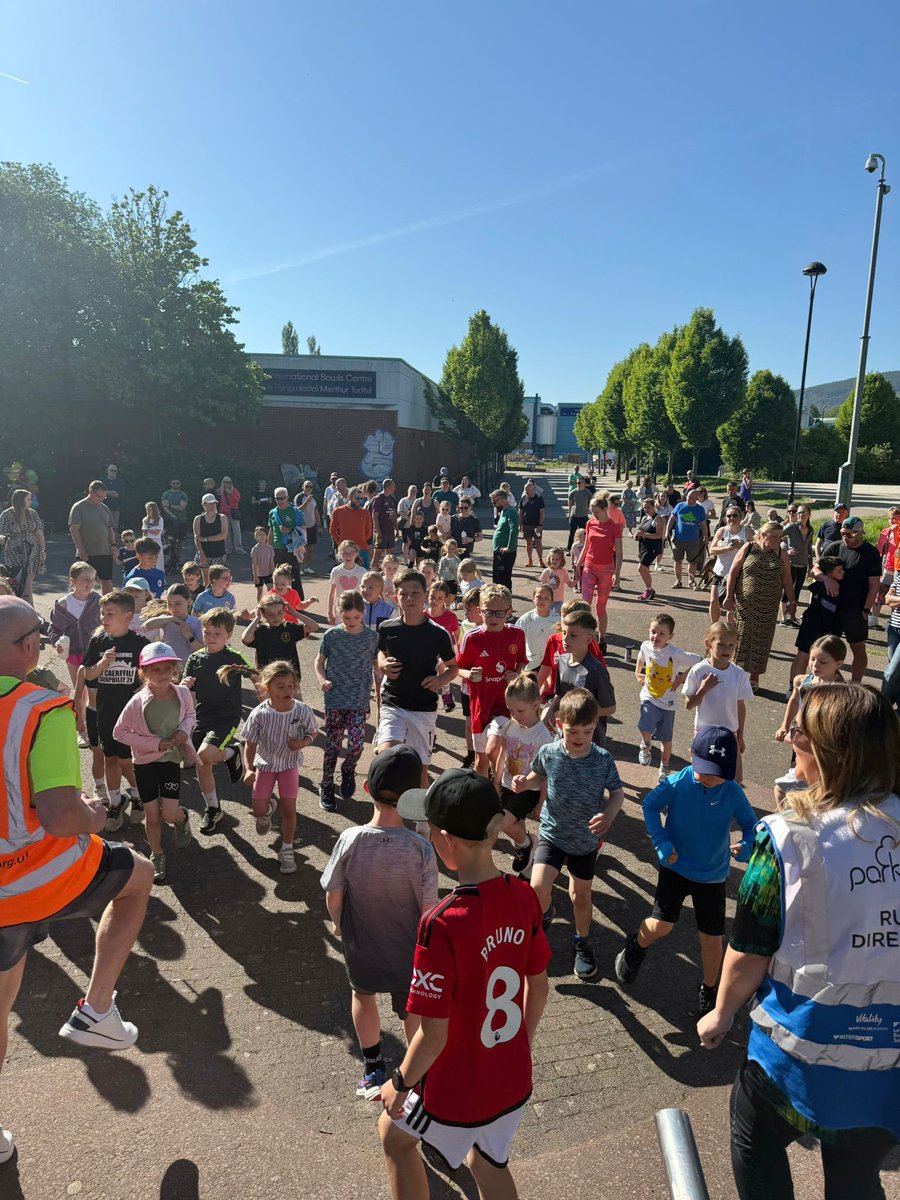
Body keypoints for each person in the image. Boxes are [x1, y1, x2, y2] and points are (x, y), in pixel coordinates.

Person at [697, 684, 900, 1200]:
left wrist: (721, 1012)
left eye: (799, 733)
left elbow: (750, 947)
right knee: (856, 1177)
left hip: (797, 1058)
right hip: (888, 1066)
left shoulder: (789, 837)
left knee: (753, 1142)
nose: (789, 739)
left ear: (831, 751)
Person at [0, 596, 154, 1165]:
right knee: (139, 875)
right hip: (36, 877)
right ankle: (96, 1009)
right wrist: (93, 813)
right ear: (28, 647)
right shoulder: (43, 708)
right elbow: (61, 815)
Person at [379, 768, 551, 1200]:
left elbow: (433, 1034)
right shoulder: (524, 896)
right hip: (512, 1076)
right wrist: (520, 1044)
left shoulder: (441, 924)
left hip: (459, 1089)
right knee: (487, 1161)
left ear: (446, 840)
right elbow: (539, 986)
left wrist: (399, 1082)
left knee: (393, 1135)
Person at [321, 746, 438, 1098]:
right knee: (412, 1009)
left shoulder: (350, 839)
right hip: (409, 948)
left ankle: (373, 1068)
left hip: (362, 942)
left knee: (362, 995)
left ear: (366, 788)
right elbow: (429, 907)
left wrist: (339, 924)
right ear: (415, 798)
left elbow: (334, 894)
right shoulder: (421, 848)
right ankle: (417, 1074)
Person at [616, 726, 756, 1015]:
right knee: (661, 926)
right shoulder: (678, 783)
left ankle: (710, 988)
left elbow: (750, 825)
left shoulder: (731, 791)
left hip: (712, 876)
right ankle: (635, 946)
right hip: (675, 867)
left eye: (718, 773)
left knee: (712, 940)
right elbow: (649, 805)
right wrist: (661, 842)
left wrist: (746, 845)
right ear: (692, 756)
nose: (711, 778)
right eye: (705, 771)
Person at [512, 688, 624, 978]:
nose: (580, 738)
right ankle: (543, 919)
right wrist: (525, 782)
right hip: (553, 834)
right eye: (573, 731)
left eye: (588, 731)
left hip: (584, 841)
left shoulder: (602, 759)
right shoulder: (549, 752)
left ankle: (582, 942)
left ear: (595, 726)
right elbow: (538, 775)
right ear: (559, 724)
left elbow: (617, 793)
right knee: (537, 887)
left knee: (580, 896)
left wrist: (609, 815)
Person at [113, 642, 195, 883]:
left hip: (170, 759)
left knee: (168, 814)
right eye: (155, 670)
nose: (162, 674)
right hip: (145, 762)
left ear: (175, 669)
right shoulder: (137, 701)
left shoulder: (182, 693)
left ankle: (181, 818)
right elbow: (119, 732)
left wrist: (183, 731)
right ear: (144, 672)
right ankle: (157, 854)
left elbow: (190, 716)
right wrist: (155, 743)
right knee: (152, 814)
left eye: (167, 668)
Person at [376, 569, 458, 785]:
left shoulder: (438, 633)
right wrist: (383, 663)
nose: (409, 598)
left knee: (419, 772)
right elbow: (380, 652)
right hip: (393, 703)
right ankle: (386, 806)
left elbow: (453, 667)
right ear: (396, 597)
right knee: (386, 763)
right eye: (403, 594)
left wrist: (440, 680)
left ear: (425, 596)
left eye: (415, 593)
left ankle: (419, 808)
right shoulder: (386, 628)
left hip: (423, 708)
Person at [79, 589, 149, 832]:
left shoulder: (141, 644)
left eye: (109, 613)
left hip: (132, 717)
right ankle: (116, 803)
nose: (103, 618)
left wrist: (143, 688)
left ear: (128, 616)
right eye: (102, 613)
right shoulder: (99, 641)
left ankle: (138, 796)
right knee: (109, 759)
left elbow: (155, 678)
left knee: (127, 762)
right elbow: (88, 675)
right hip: (105, 712)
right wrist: (103, 663)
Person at [242, 660, 318, 875]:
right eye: (281, 687)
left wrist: (303, 743)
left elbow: (313, 731)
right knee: (258, 809)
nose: (287, 691)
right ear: (267, 688)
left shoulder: (302, 710)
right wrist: (248, 769)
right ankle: (267, 811)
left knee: (289, 810)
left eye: (291, 686)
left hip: (288, 766)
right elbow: (250, 743)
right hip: (265, 766)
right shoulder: (259, 713)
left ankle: (287, 849)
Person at [183, 607, 252, 833]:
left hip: (226, 717)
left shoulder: (233, 658)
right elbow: (189, 693)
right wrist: (184, 689)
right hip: (202, 717)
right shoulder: (195, 659)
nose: (211, 638)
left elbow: (257, 677)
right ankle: (213, 808)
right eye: (207, 633)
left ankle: (231, 752)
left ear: (228, 635)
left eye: (217, 634)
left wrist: (267, 705)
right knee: (201, 763)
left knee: (204, 755)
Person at [315, 588, 379, 812]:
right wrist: (322, 679)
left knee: (356, 746)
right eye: (346, 617)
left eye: (356, 617)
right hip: (334, 698)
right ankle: (326, 784)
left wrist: (380, 690)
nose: (351, 622)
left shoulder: (372, 638)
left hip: (359, 700)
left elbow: (377, 666)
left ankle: (348, 768)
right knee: (332, 745)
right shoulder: (331, 635)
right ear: (339, 613)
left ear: (363, 613)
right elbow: (319, 662)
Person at [488, 670, 555, 877]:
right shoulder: (510, 725)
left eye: (520, 710)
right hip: (507, 784)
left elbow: (546, 774)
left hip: (529, 790)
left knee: (504, 823)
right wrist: (496, 781)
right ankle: (527, 868)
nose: (515, 715)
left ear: (535, 705)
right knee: (516, 824)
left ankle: (527, 843)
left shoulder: (544, 736)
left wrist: (541, 802)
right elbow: (502, 754)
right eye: (510, 710)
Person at [456, 584, 527, 778]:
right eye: (488, 612)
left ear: (509, 612)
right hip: (480, 705)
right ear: (480, 611)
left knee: (495, 751)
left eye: (499, 613)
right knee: (481, 762)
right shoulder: (472, 638)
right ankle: (483, 791)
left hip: (506, 705)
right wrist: (469, 675)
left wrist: (517, 674)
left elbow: (522, 661)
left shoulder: (517, 634)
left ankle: (499, 789)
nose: (493, 617)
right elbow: (457, 668)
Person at [810, 515, 881, 683]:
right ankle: (833, 683)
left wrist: (866, 610)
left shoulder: (870, 553)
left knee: (858, 649)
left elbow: (874, 585)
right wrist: (825, 579)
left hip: (855, 610)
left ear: (860, 533)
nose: (844, 536)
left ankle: (855, 684)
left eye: (849, 534)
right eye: (842, 532)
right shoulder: (835, 547)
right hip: (830, 608)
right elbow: (814, 570)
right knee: (826, 650)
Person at [724, 523, 796, 688]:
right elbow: (733, 573)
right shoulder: (749, 548)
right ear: (763, 535)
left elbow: (787, 580)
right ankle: (735, 675)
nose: (778, 540)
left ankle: (754, 676)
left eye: (780, 537)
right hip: (745, 605)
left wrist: (792, 601)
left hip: (768, 607)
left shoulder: (781, 553)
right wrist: (728, 596)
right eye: (774, 536)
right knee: (741, 638)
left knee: (762, 641)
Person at [684, 621, 753, 783]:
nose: (726, 650)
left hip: (730, 733)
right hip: (705, 732)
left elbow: (740, 707)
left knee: (735, 780)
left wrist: (740, 736)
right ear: (708, 643)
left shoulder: (738, 674)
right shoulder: (699, 670)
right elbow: (688, 704)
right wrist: (703, 689)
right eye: (721, 644)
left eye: (731, 645)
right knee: (703, 778)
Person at [634, 612, 698, 780]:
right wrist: (637, 673)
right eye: (653, 632)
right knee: (644, 725)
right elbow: (641, 657)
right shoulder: (646, 646)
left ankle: (664, 766)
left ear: (670, 636)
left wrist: (682, 678)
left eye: (662, 633)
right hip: (649, 696)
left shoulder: (675, 654)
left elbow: (699, 661)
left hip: (668, 703)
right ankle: (645, 745)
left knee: (665, 738)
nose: (656, 636)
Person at [545, 608, 616, 746]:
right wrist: (551, 710)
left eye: (573, 635)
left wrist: (579, 715)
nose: (565, 639)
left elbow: (611, 708)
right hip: (565, 735)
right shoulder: (562, 661)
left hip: (590, 741)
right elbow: (559, 694)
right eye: (564, 632)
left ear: (589, 639)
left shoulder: (596, 670)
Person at [575, 495, 622, 645]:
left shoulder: (614, 527)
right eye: (592, 512)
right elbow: (586, 546)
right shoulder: (590, 523)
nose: (594, 515)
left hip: (606, 570)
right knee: (585, 604)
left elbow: (619, 553)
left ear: (604, 509)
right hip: (589, 567)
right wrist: (578, 565)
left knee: (600, 607)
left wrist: (617, 573)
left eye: (596, 512)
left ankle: (602, 639)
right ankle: (585, 637)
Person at [241, 594, 313, 674]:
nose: (276, 617)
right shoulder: (260, 630)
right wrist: (257, 619)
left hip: (290, 677)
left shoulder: (289, 627)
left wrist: (295, 613)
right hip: (268, 677)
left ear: (284, 611)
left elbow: (313, 627)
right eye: (270, 614)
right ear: (263, 614)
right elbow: (245, 639)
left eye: (279, 613)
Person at [68, 480, 118, 593]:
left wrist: (113, 545)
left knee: (107, 581)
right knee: (84, 582)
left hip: (105, 552)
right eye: (99, 496)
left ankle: (108, 603)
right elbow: (74, 529)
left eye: (104, 497)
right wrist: (81, 550)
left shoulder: (105, 508)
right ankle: (81, 603)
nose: (101, 499)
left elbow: (110, 529)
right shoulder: (79, 507)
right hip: (87, 553)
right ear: (91, 492)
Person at [0, 489, 45, 605]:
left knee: (27, 581)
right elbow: (1, 533)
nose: (31, 502)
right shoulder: (7, 514)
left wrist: (42, 550)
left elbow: (39, 533)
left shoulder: (33, 513)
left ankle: (23, 606)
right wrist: (4, 539)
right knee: (22, 580)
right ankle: (28, 607)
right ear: (20, 501)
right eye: (28, 499)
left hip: (32, 550)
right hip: (15, 552)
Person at [707, 505, 749, 623]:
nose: (732, 518)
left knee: (732, 606)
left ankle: (731, 629)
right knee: (714, 601)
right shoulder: (722, 531)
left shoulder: (747, 532)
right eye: (729, 516)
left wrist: (743, 547)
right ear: (725, 518)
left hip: (738, 574)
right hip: (720, 571)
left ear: (741, 517)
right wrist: (727, 548)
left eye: (735, 515)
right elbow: (712, 550)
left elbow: (756, 550)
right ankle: (715, 626)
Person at [664, 487, 709, 589]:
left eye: (692, 498)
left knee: (693, 562)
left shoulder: (700, 509)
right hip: (678, 539)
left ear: (697, 499)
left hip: (693, 540)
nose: (689, 499)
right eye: (688, 497)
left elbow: (703, 524)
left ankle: (691, 581)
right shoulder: (680, 506)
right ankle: (678, 581)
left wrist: (705, 537)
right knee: (677, 561)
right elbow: (672, 518)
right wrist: (667, 531)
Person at [780, 503, 812, 625]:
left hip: (803, 565)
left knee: (797, 591)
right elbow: (776, 537)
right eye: (798, 513)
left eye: (803, 513)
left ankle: (792, 617)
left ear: (809, 514)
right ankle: (784, 619)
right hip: (791, 563)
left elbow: (809, 548)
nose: (800, 515)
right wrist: (786, 552)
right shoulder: (791, 527)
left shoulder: (810, 529)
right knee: (787, 590)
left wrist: (810, 565)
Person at [268, 487, 305, 592]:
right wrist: (268, 548)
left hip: (292, 548)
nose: (280, 501)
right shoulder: (272, 512)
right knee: (278, 578)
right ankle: (279, 599)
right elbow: (271, 531)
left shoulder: (295, 512)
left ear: (287, 497)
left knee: (294, 577)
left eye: (282, 498)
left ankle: (298, 600)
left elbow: (303, 529)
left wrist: (289, 530)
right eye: (277, 499)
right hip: (277, 548)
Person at [329, 489, 374, 571]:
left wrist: (362, 540)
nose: (359, 501)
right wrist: (341, 542)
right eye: (357, 498)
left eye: (361, 498)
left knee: (364, 575)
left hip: (362, 549)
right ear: (349, 497)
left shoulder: (365, 513)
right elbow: (332, 530)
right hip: (345, 550)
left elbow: (369, 531)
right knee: (344, 574)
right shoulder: (338, 511)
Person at [516, 584, 556, 670]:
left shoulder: (557, 620)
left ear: (552, 601)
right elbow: (516, 640)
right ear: (533, 599)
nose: (542, 600)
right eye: (539, 597)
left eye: (546, 598)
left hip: (551, 662)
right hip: (531, 663)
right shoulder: (526, 619)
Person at [328, 540, 367, 624]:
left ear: (357, 553)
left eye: (351, 553)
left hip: (357, 609)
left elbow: (365, 593)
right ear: (340, 554)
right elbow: (332, 593)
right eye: (344, 553)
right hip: (340, 610)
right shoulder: (336, 571)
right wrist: (330, 612)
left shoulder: (362, 571)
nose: (348, 556)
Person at [193, 493, 228, 585]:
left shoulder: (222, 518)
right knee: (207, 581)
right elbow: (197, 538)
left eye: (213, 503)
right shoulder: (198, 519)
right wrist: (201, 553)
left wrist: (206, 539)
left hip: (219, 554)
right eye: (209, 503)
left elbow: (223, 535)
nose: (212, 505)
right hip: (204, 554)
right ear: (203, 504)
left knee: (219, 581)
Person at [634, 496, 665, 601]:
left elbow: (659, 535)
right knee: (645, 569)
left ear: (653, 507)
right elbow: (640, 531)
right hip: (643, 546)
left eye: (648, 507)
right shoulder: (644, 518)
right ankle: (649, 590)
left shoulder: (658, 519)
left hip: (652, 547)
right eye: (644, 507)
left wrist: (644, 534)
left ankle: (649, 590)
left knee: (641, 568)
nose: (646, 509)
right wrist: (637, 535)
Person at [490, 489, 519, 588]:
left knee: (503, 581)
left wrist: (509, 547)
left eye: (495, 502)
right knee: (497, 580)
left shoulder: (511, 511)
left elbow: (514, 529)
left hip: (505, 553)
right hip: (499, 551)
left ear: (502, 499)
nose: (494, 505)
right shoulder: (502, 512)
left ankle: (506, 598)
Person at [518, 481, 545, 568]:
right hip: (526, 525)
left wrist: (540, 525)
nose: (526, 492)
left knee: (538, 542)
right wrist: (520, 524)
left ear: (533, 489)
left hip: (536, 526)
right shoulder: (523, 498)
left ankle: (540, 560)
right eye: (525, 490)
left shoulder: (539, 499)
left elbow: (542, 512)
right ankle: (530, 560)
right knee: (528, 542)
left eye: (528, 490)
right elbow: (520, 512)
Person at [296, 479, 320, 574]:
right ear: (303, 487)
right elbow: (298, 510)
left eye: (311, 487)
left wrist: (319, 525)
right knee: (301, 547)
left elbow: (316, 512)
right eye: (307, 486)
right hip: (302, 526)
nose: (309, 488)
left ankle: (307, 566)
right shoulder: (299, 497)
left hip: (312, 525)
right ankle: (299, 567)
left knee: (310, 547)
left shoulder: (313, 499)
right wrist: (306, 502)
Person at [539, 547, 574, 614]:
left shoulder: (563, 571)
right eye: (553, 559)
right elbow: (542, 586)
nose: (554, 561)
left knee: (558, 617)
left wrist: (577, 578)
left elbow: (570, 584)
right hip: (548, 599)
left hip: (559, 600)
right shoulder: (546, 571)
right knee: (547, 616)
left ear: (561, 560)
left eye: (557, 559)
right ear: (549, 559)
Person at [217, 477, 243, 555]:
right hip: (223, 513)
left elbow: (237, 500)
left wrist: (230, 493)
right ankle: (227, 548)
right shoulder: (219, 491)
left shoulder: (234, 491)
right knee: (226, 532)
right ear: (222, 483)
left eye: (229, 482)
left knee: (237, 531)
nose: (227, 484)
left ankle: (239, 548)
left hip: (233, 512)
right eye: (225, 482)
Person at [566, 475, 591, 552]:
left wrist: (588, 509)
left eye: (579, 482)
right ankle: (569, 549)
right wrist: (570, 513)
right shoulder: (573, 492)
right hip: (574, 516)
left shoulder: (588, 493)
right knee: (572, 533)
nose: (578, 484)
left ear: (583, 483)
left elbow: (590, 503)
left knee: (583, 534)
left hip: (583, 516)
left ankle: (583, 549)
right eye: (577, 482)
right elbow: (570, 503)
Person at [251, 525, 275, 600]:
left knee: (270, 590)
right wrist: (255, 576)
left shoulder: (270, 548)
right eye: (259, 535)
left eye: (263, 534)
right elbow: (254, 564)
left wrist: (274, 573)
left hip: (268, 573)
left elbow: (271, 562)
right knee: (260, 591)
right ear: (256, 537)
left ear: (266, 535)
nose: (261, 537)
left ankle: (269, 603)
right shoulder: (255, 549)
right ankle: (259, 604)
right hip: (259, 574)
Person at [161, 478, 189, 543]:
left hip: (181, 520)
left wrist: (170, 506)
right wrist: (172, 515)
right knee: (169, 538)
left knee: (180, 540)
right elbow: (165, 507)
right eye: (173, 483)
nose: (175, 485)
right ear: (170, 484)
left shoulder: (183, 495)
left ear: (180, 484)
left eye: (177, 483)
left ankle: (178, 549)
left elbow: (182, 508)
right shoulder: (166, 494)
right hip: (168, 520)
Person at [101, 464, 125, 532]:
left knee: (114, 528)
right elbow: (100, 493)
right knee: (102, 526)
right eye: (111, 470)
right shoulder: (102, 481)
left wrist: (106, 492)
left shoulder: (120, 482)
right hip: (102, 508)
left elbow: (117, 495)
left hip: (115, 508)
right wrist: (112, 492)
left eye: (115, 471)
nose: (113, 472)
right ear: (107, 471)